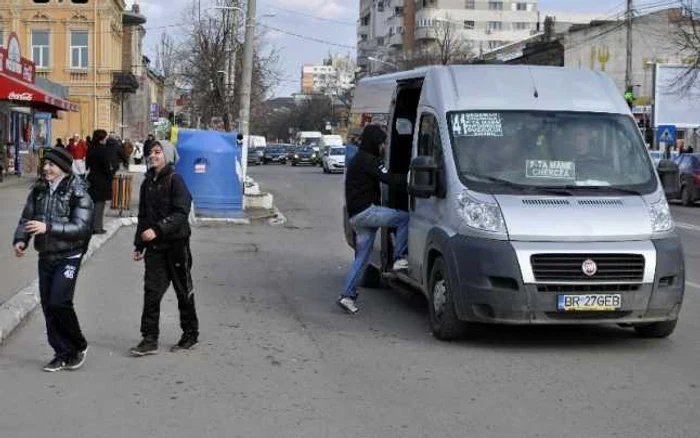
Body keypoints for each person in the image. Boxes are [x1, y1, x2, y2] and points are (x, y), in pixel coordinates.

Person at [13, 147, 93, 372]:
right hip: (46, 255)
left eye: (51, 164)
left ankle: (78, 345)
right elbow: (26, 218)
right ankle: (61, 352)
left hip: (70, 254)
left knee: (59, 301)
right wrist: (21, 240)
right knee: (48, 306)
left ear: (64, 168)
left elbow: (80, 228)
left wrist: (48, 227)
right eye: (45, 164)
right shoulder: (39, 190)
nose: (46, 168)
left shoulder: (79, 192)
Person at [130, 140, 199, 356]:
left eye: (158, 152)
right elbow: (143, 216)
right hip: (155, 248)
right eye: (151, 152)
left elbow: (180, 213)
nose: (152, 155)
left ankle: (190, 334)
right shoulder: (147, 182)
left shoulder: (176, 180)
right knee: (151, 292)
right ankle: (149, 338)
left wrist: (158, 230)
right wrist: (139, 244)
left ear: (167, 156)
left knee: (183, 291)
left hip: (177, 245)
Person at [339, 124, 409, 315]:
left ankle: (347, 296)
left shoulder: (357, 159)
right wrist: (411, 178)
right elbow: (390, 179)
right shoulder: (369, 160)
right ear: (374, 143)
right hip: (366, 213)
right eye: (381, 143)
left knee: (362, 258)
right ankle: (399, 258)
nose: (383, 147)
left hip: (355, 216)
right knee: (404, 218)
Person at [86, 129, 112, 234]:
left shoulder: (91, 148)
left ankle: (92, 226)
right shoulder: (102, 150)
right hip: (101, 180)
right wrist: (110, 175)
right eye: (105, 137)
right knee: (99, 204)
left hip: (92, 178)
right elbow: (106, 166)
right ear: (102, 138)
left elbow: (87, 164)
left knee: (92, 203)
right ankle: (97, 227)